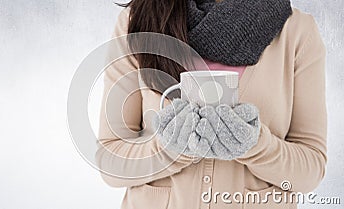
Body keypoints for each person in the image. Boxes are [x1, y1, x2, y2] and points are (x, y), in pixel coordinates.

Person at [96, 0, 327, 208]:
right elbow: (109, 161)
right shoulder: (138, 22)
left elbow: (310, 171)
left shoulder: (297, 32)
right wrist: (169, 151)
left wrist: (255, 146)